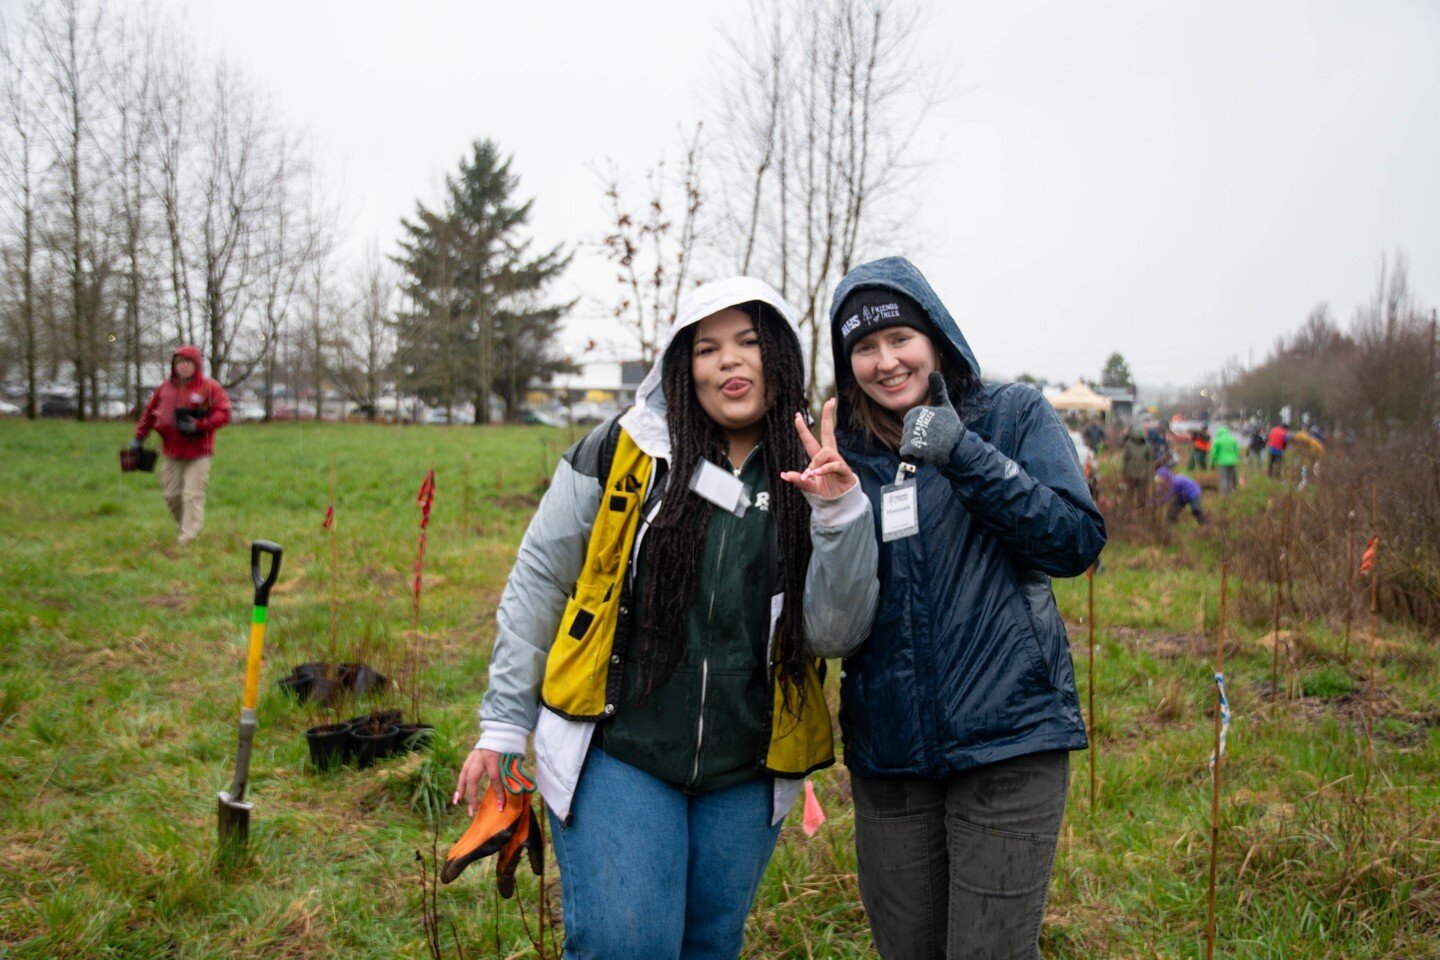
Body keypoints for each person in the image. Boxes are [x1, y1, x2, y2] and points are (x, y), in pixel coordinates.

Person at [452, 278, 879, 960]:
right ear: (682, 368)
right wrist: (504, 725)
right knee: (629, 946)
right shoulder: (623, 455)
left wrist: (837, 514)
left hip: (748, 762)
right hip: (619, 750)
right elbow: (538, 582)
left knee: (710, 945)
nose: (729, 362)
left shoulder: (813, 471)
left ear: (780, 356)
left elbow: (833, 634)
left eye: (748, 343)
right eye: (707, 349)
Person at [827, 258, 1106, 960]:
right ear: (845, 360)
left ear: (936, 335)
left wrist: (962, 453)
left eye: (900, 338)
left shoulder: (1011, 416)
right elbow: (826, 614)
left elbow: (1073, 541)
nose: (886, 361)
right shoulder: (846, 453)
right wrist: (828, 509)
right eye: (864, 347)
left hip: (1009, 741)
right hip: (890, 758)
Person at [131, 344, 231, 545]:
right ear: (174, 366)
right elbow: (150, 414)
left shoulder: (209, 387)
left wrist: (200, 424)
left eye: (188, 363)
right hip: (171, 451)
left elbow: (224, 413)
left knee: (192, 494)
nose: (184, 367)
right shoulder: (164, 388)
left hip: (199, 451)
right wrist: (138, 437)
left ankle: (188, 537)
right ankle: (185, 526)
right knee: (171, 494)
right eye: (180, 363)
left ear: (196, 366)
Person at [1120, 424, 1153, 511]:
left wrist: (1149, 474)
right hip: (1130, 474)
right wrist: (1124, 473)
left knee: (1142, 495)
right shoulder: (1128, 445)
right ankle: (1127, 512)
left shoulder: (1147, 446)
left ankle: (1141, 511)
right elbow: (1125, 459)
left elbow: (1149, 461)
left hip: (1142, 475)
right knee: (1129, 494)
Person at [1210, 424, 1240, 495]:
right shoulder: (1232, 439)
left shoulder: (1217, 441)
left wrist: (1212, 463)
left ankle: (1224, 495)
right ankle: (1230, 493)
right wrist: (1235, 458)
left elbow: (1214, 453)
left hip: (1222, 462)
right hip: (1232, 462)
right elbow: (1237, 450)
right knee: (1229, 478)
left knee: (1223, 479)